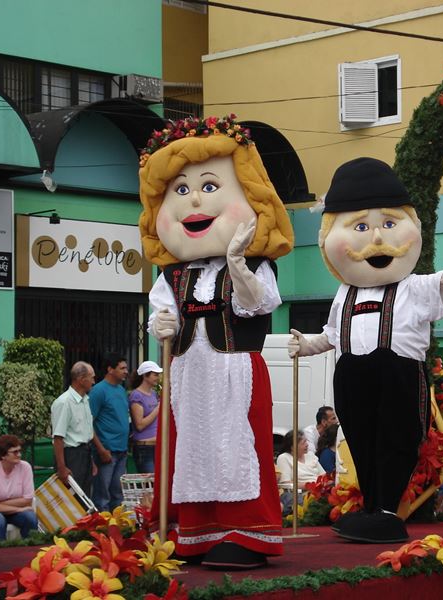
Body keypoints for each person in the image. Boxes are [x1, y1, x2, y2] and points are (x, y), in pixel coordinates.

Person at [289, 157, 443, 543]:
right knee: (361, 441)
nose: (376, 239)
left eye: (389, 224)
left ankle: (388, 509)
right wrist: (305, 345)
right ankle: (372, 507)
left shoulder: (412, 286)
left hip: (398, 376)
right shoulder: (346, 292)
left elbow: (442, 283)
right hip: (352, 376)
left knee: (395, 440)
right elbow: (331, 335)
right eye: (360, 227)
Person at [140, 115, 294, 568]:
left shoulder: (256, 265)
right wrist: (162, 325)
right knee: (190, 448)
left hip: (237, 371)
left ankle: (246, 534)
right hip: (188, 372)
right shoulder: (171, 274)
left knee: (238, 446)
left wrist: (237, 262)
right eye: (180, 192)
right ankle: (194, 533)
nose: (192, 204)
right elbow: (161, 314)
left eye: (209, 187)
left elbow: (258, 304)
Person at [89, 353, 130, 512]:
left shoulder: (121, 390)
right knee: (102, 495)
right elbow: (88, 423)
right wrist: (100, 449)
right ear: (110, 369)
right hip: (106, 451)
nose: (126, 371)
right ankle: (101, 530)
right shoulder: (98, 391)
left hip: (122, 450)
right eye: (122, 368)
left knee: (118, 495)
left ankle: (117, 530)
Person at [0, 435, 38, 540]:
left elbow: (27, 499)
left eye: (20, 451)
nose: (19, 455)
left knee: (30, 518)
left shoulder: (25, 467)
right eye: (15, 452)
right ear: (3, 455)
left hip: (7, 508)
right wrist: (18, 509)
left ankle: (31, 551)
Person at [51, 361, 95, 496]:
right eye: (92, 377)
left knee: (85, 497)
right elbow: (58, 437)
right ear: (81, 380)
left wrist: (91, 461)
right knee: (72, 497)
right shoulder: (64, 402)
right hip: (71, 455)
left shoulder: (85, 400)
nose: (94, 382)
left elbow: (86, 433)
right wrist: (62, 467)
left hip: (85, 453)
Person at [129, 361, 162, 474]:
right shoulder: (136, 395)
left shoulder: (153, 394)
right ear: (145, 375)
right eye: (155, 374)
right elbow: (140, 425)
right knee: (148, 484)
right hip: (144, 447)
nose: (157, 377)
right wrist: (158, 408)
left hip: (156, 445)